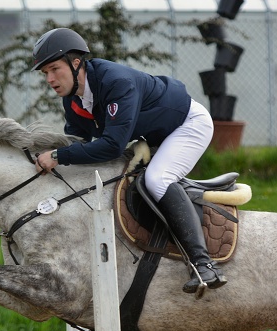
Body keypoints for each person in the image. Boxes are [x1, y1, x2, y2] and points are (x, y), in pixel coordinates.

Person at [31, 28, 226, 294]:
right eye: (45, 74)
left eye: (54, 69)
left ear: (76, 63)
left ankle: (204, 265)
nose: (50, 79)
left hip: (188, 125)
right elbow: (77, 144)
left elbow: (111, 146)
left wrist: (56, 156)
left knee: (157, 180)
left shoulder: (116, 82)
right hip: (155, 135)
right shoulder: (72, 100)